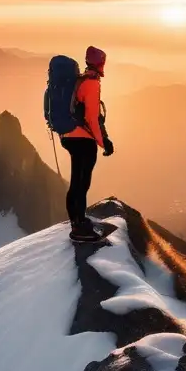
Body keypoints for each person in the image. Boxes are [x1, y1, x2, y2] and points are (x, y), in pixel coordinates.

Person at [60, 46, 114, 241]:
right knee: (82, 182)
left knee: (76, 181)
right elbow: (92, 118)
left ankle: (76, 221)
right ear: (100, 63)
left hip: (69, 136)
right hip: (83, 139)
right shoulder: (91, 84)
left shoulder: (80, 80)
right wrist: (104, 142)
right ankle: (80, 227)